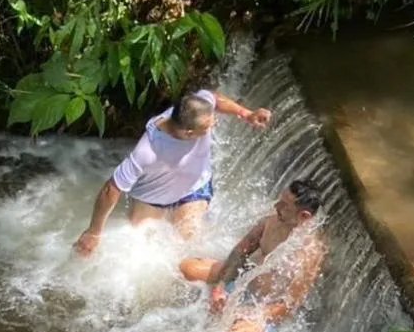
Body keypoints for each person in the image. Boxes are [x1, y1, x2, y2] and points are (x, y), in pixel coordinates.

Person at [73, 89, 271, 255]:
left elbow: (214, 97)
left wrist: (246, 114)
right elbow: (111, 189)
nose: (214, 124)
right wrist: (93, 232)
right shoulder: (147, 151)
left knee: (185, 248)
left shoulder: (196, 107)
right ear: (188, 134)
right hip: (152, 198)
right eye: (209, 125)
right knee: (138, 251)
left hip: (193, 190)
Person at [180, 179, 326, 332]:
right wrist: (221, 286)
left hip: (265, 309)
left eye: (284, 205)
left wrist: (255, 314)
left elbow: (290, 305)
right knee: (187, 268)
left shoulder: (310, 252)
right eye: (280, 200)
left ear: (303, 216)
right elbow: (240, 252)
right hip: (244, 282)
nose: (276, 206)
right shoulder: (271, 222)